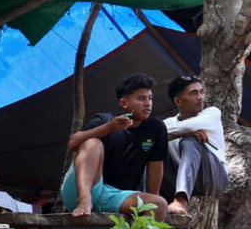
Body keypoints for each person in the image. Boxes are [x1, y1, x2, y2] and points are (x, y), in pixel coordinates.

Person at [63, 73, 170, 217]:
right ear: (124, 103)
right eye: (141, 98)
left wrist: (152, 199)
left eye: (150, 98)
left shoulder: (156, 128)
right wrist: (109, 128)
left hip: (116, 196)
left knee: (159, 204)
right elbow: (73, 143)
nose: (148, 103)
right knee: (93, 143)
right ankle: (84, 198)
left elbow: (155, 170)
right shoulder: (105, 120)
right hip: (82, 189)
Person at [164, 74, 228, 212]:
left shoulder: (212, 113)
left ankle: (181, 199)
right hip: (180, 179)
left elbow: (187, 127)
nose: (200, 97)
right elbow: (149, 137)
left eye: (201, 92)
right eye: (193, 93)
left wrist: (183, 133)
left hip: (214, 180)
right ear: (178, 101)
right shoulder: (168, 123)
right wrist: (184, 132)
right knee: (153, 147)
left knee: (191, 140)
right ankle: (153, 200)